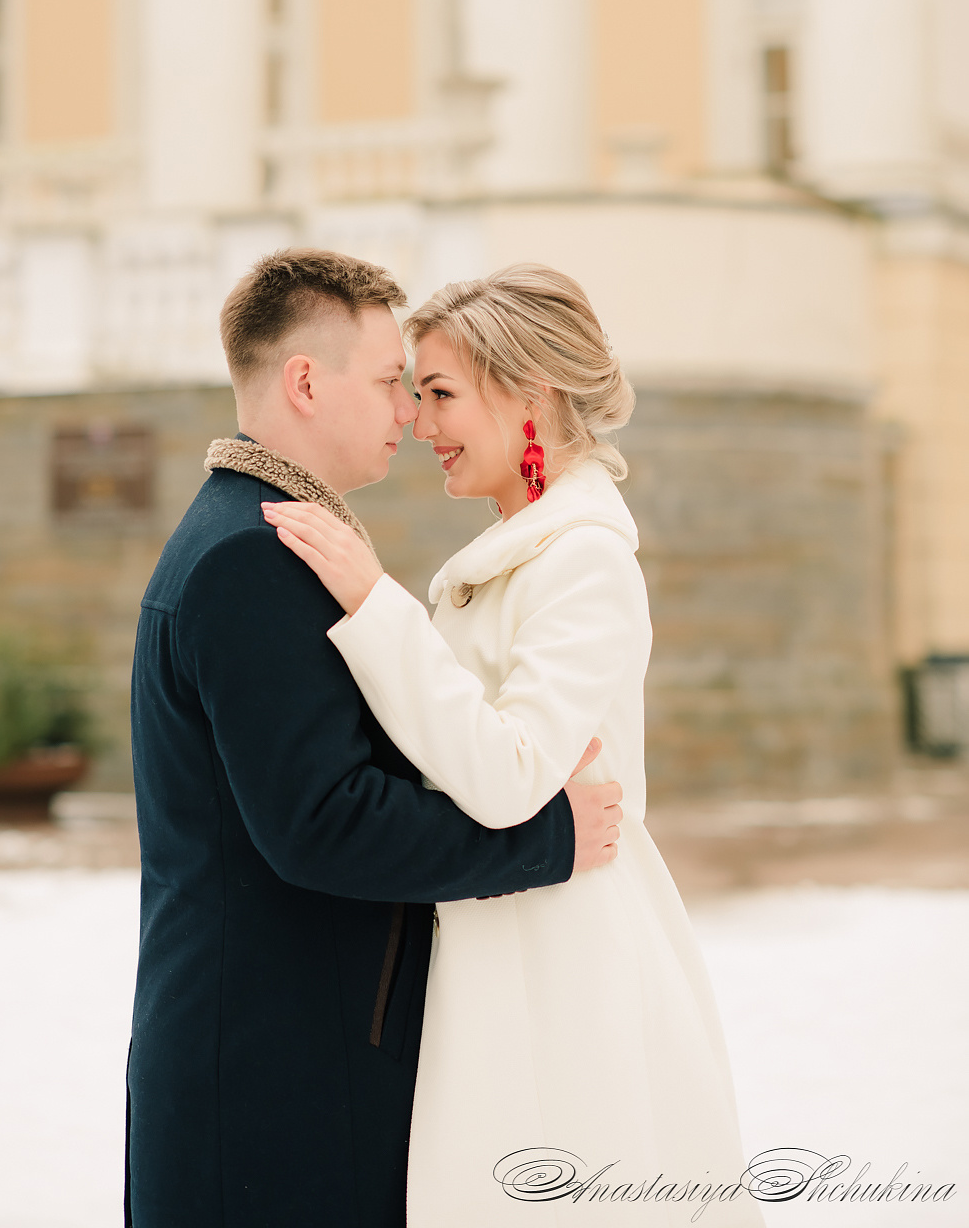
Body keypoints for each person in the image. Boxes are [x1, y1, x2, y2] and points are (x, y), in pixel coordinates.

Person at [125, 249, 624, 1228]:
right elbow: (324, 824)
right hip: (273, 1082)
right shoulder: (250, 557)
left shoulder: (263, 534)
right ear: (306, 383)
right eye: (395, 380)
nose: (409, 411)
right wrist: (551, 838)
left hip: (293, 1062)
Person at [264, 264, 764, 1228]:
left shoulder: (584, 560)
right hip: (503, 927)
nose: (418, 422)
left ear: (528, 395)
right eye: (416, 391)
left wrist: (374, 604)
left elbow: (506, 778)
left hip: (563, 955)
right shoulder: (519, 551)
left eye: (440, 393)